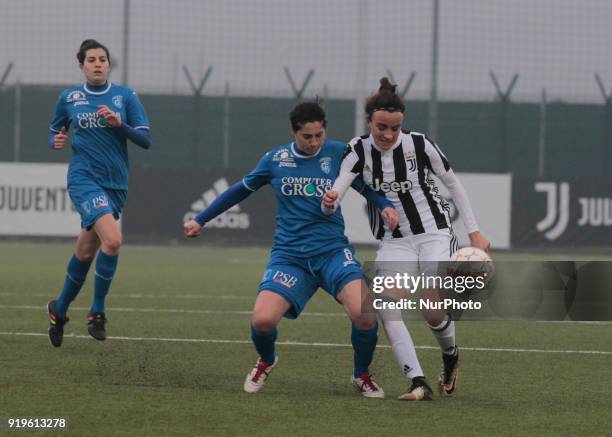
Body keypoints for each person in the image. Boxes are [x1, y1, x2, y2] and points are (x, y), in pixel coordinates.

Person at [184, 100, 399, 397]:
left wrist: (386, 207)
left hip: (332, 253)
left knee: (365, 314)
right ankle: (267, 360)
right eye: (307, 137)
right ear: (293, 132)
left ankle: (361, 375)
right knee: (262, 320)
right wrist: (201, 219)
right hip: (290, 257)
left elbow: (366, 188)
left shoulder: (338, 153)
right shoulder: (275, 160)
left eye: (319, 135)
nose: (314, 143)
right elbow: (239, 190)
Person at [322, 78, 490, 400]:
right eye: (381, 127)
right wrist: (330, 200)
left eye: (395, 128)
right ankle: (418, 382)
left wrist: (474, 231)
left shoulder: (421, 145)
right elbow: (339, 188)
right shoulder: (357, 150)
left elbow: (453, 185)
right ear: (369, 121)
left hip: (434, 233)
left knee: (430, 307)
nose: (387, 135)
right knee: (385, 306)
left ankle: (450, 356)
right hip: (394, 241)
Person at [46, 39, 151, 347]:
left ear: (108, 64)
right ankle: (97, 312)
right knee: (114, 241)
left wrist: (120, 125)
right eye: (90, 59)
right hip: (84, 179)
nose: (97, 64)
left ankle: (59, 309)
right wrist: (56, 140)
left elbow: (145, 139)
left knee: (85, 252)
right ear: (82, 65)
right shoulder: (70, 97)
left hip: (116, 183)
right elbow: (55, 130)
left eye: (102, 59)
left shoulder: (125, 96)